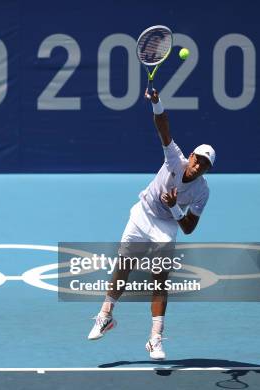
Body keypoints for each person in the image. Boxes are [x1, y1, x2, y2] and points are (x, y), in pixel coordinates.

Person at [87, 89, 215, 360]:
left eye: (204, 165)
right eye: (197, 159)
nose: (197, 165)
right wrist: (157, 102)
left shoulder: (202, 192)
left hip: (166, 227)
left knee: (160, 281)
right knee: (123, 267)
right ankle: (105, 316)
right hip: (142, 214)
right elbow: (163, 126)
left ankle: (155, 339)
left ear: (206, 171)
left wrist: (175, 207)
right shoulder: (174, 158)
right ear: (190, 156)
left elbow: (189, 227)